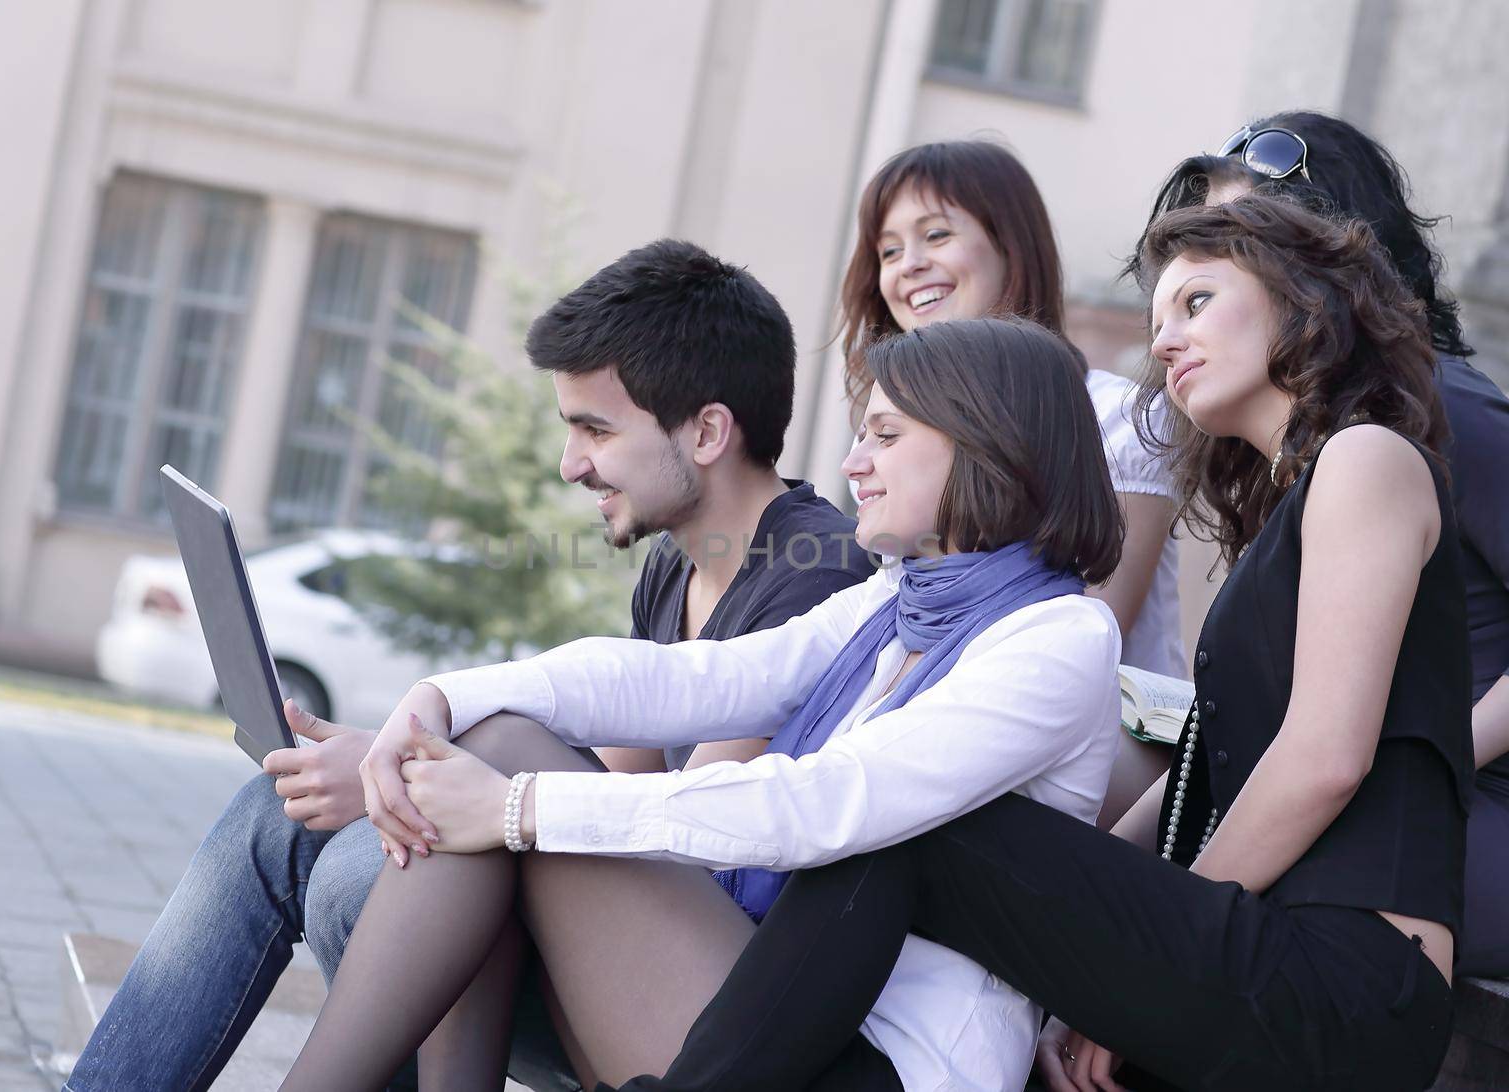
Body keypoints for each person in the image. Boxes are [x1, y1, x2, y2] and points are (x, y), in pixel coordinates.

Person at [598, 195, 1472, 1092]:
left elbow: (1324, 760)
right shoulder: (1296, 506)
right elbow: (1205, 770)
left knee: (916, 821)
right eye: (1157, 319)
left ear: (1304, 300)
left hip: (1352, 973)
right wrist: (1108, 963)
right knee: (914, 814)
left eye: (1197, 303)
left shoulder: (1368, 459)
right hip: (1284, 946)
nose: (1164, 341)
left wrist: (1153, 952)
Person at [62, 239, 874, 1092]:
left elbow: (684, 827)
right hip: (589, 934)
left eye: (595, 428)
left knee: (393, 860)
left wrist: (426, 773)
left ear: (708, 430)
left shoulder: (814, 577)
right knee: (284, 811)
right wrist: (390, 761)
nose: (570, 465)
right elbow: (599, 775)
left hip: (686, 993)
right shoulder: (676, 563)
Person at [276, 316, 1127, 1092]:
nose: (851, 464)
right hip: (766, 995)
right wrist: (439, 699)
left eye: (886, 436)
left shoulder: (1059, 640)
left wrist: (517, 807)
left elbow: (822, 806)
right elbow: (695, 680)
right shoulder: (895, 603)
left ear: (986, 444)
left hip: (875, 1064)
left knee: (497, 790)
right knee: (493, 738)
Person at [1112, 111, 1509, 978]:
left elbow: (1328, 754)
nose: (1175, 331)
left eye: (1214, 274)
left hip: (1456, 823)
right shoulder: (1302, 461)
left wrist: (1429, 752)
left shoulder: (1441, 414)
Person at [840, 140, 1184, 687]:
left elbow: (1093, 629)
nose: (909, 265)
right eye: (888, 252)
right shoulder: (896, 431)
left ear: (1011, 247)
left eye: (936, 235)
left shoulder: (1117, 414)